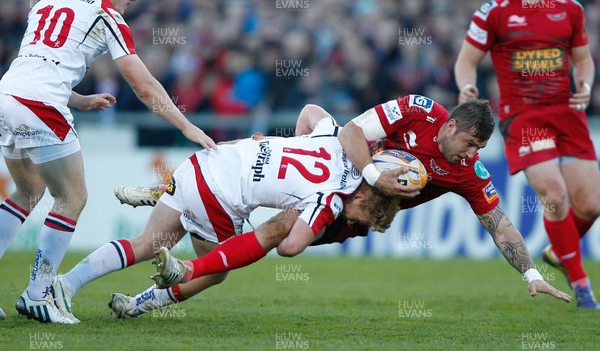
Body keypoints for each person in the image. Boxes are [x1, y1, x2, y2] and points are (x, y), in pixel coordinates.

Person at [145, 96, 570, 318]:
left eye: (479, 149)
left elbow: (500, 224)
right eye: (470, 143)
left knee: (280, 236)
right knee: (304, 121)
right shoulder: (418, 111)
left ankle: (158, 287)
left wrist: (531, 273)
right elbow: (352, 131)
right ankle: (178, 199)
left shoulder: (467, 173)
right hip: (344, 173)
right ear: (451, 126)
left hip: (360, 212)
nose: (471, 154)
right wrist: (372, 174)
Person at [53, 104, 399, 322]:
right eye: (359, 220)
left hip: (203, 162)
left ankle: (64, 286)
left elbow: (310, 109)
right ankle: (141, 303)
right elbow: (290, 247)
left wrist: (293, 145)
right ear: (364, 199)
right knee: (216, 270)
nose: (351, 225)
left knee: (146, 244)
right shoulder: (334, 200)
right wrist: (309, 221)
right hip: (220, 194)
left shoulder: (335, 139)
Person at [0, 0, 216, 324]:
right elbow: (143, 86)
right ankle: (38, 294)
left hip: (7, 96)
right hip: (39, 106)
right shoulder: (107, 13)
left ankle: (37, 293)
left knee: (28, 191)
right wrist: (186, 126)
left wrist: (79, 100)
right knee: (72, 196)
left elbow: (39, 65)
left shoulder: (49, 1)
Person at [454, 0, 600, 309]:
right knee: (554, 193)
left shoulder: (571, 9)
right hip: (524, 118)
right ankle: (581, 285)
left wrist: (586, 84)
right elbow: (466, 60)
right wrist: (467, 86)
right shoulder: (493, 13)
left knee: (592, 204)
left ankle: (559, 251)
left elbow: (583, 60)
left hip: (568, 114)